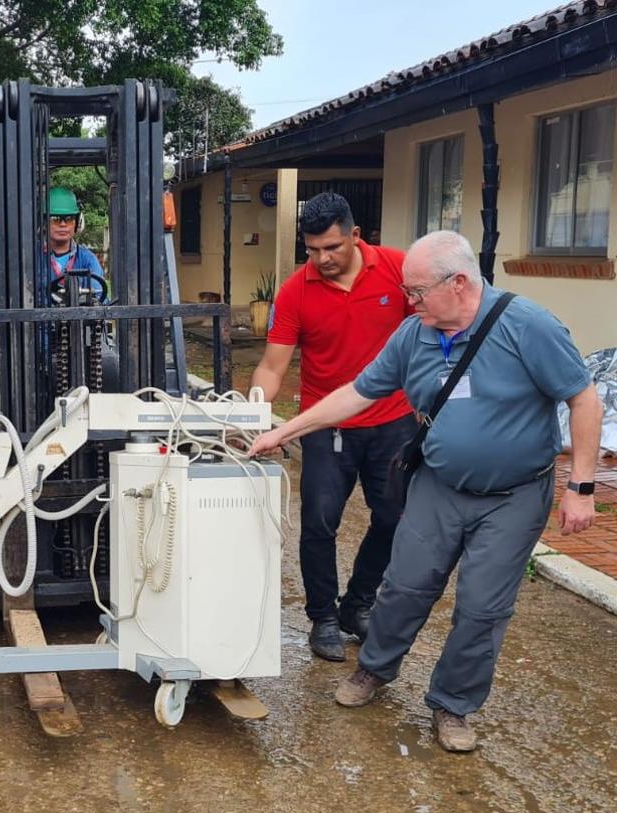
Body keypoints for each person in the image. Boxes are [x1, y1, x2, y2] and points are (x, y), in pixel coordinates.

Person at [249, 230, 600, 752]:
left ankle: (453, 705)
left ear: (458, 283)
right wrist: (285, 430)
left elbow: (584, 399)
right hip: (439, 485)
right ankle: (374, 669)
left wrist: (582, 487)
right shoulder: (414, 335)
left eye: (416, 292)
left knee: (482, 608)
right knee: (404, 587)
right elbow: (356, 393)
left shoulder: (527, 325)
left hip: (514, 495)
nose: (408, 302)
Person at [251, 192, 416, 663]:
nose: (322, 259)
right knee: (320, 523)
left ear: (356, 236)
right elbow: (271, 365)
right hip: (327, 425)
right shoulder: (295, 291)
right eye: (312, 250)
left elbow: (423, 339)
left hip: (393, 421)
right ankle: (322, 615)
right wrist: (254, 417)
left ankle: (357, 605)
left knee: (393, 518)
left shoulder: (398, 271)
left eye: (332, 248)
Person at [44, 186, 106, 304]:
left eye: (68, 218)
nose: (63, 224)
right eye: (55, 219)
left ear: (77, 222)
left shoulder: (88, 260)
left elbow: (98, 298)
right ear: (44, 222)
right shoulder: (33, 259)